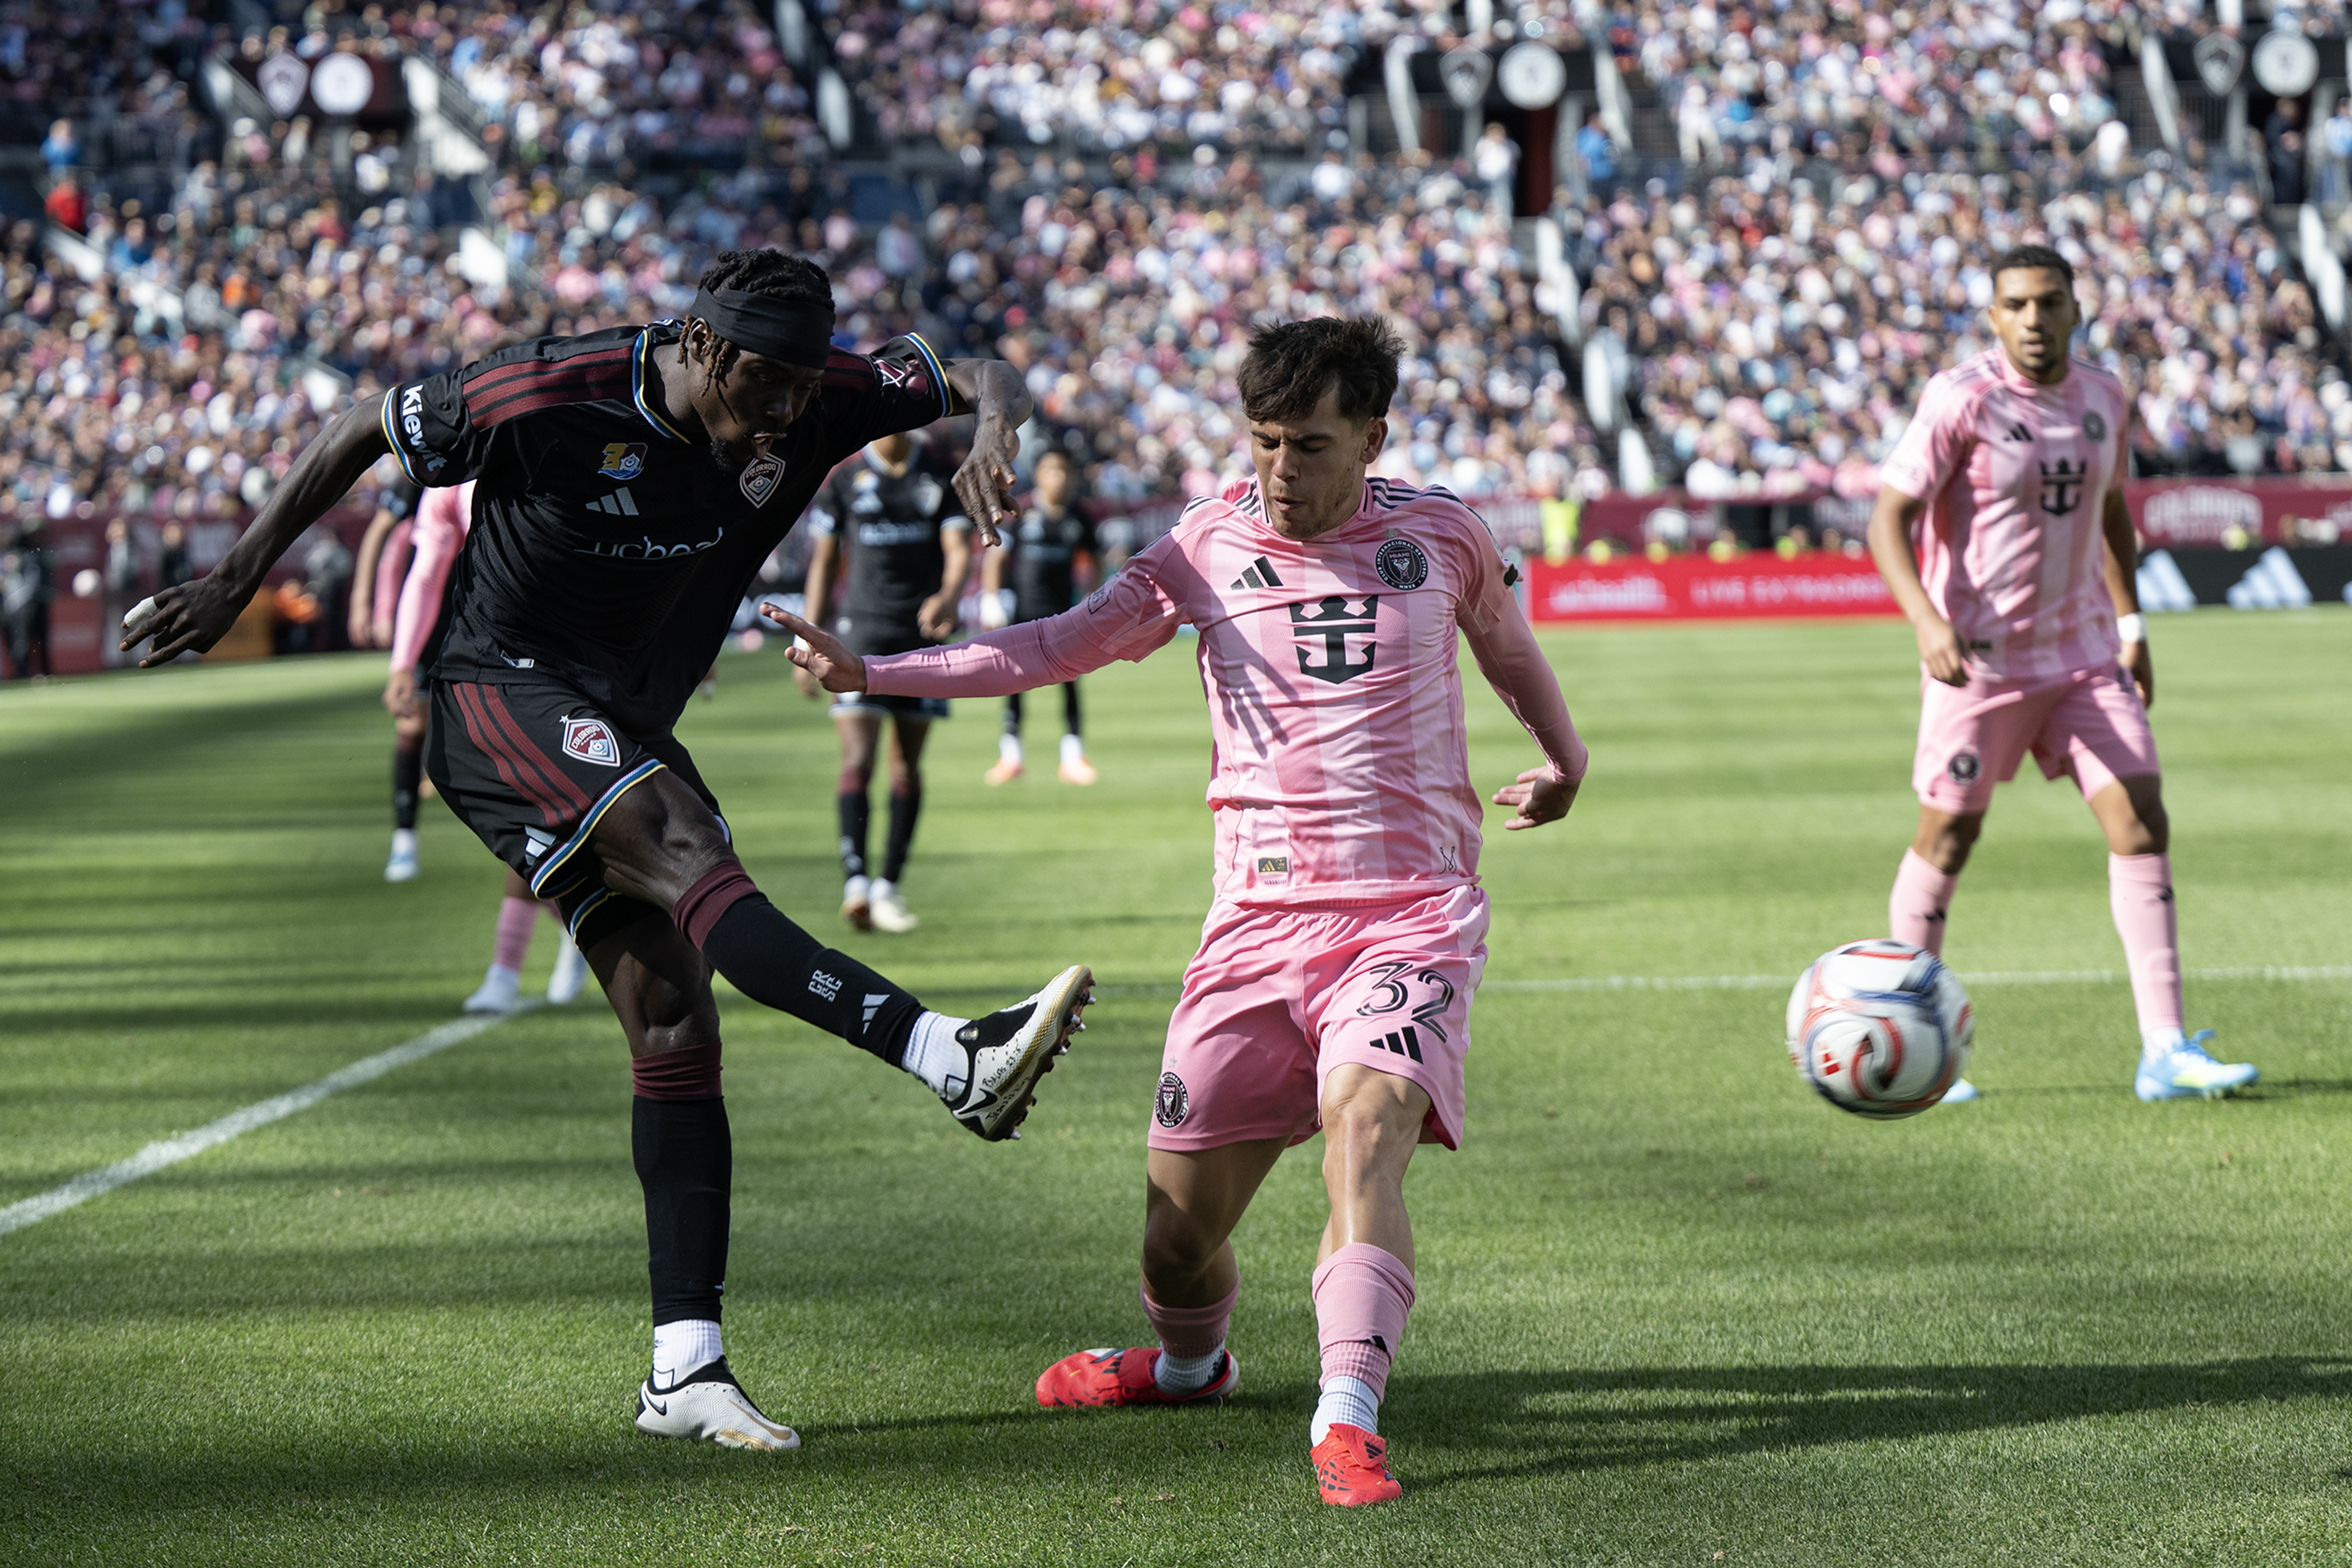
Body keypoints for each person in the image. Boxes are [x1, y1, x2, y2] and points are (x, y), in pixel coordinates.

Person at [122, 247, 1095, 1454]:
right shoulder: (548, 389)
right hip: (497, 693)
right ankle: (948, 1052)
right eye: (766, 386)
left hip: (623, 717)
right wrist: (230, 579)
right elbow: (355, 426)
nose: (787, 415)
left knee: (674, 1015)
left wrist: (990, 430)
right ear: (701, 346)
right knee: (685, 846)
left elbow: (981, 369)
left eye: (804, 388)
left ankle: (684, 1367)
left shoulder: (824, 392)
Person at [772, 315, 1588, 1506]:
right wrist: (874, 669)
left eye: (1308, 444)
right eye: (1262, 440)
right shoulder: (1204, 546)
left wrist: (1563, 757)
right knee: (1174, 1237)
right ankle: (1192, 1364)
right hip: (1253, 928)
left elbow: (1507, 646)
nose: (1280, 469)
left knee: (1367, 1135)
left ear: (1372, 436)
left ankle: (1347, 1414)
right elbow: (1053, 646)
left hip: (1410, 914)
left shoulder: (1444, 534)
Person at [1865, 244, 2257, 1105]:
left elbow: (2112, 510)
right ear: (1994, 316)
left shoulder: (2105, 397)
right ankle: (1911, 1048)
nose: (2035, 321)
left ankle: (2165, 1052)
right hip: (1980, 664)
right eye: (2017, 306)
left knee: (2140, 818)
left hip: (2083, 658)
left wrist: (2131, 622)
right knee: (1948, 838)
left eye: (2049, 303)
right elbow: (1887, 519)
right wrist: (1927, 622)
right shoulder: (1959, 399)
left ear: (2075, 307)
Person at [381, 475, 591, 1009]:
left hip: (565, 652)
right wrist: (404, 660)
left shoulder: (547, 451)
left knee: (537, 812)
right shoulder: (449, 482)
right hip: (491, 654)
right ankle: (580, 928)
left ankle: (510, 967)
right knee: (520, 813)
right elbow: (425, 571)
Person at [798, 431, 972, 934]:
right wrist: (809, 640)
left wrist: (949, 595)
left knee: (906, 767)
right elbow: (825, 560)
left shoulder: (940, 472)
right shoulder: (846, 479)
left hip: (922, 636)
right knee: (858, 758)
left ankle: (888, 888)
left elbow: (958, 549)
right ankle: (855, 882)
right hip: (860, 633)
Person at [978, 445, 1099, 786]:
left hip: (1064, 618)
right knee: (1014, 685)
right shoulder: (1023, 512)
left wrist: (1092, 597)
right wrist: (991, 600)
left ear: (1072, 477)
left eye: (1063, 471)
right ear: (1040, 475)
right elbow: (996, 558)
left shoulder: (1080, 517)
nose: (1057, 478)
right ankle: (1011, 757)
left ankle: (1074, 758)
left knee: (1070, 684)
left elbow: (1095, 559)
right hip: (1022, 614)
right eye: (1050, 471)